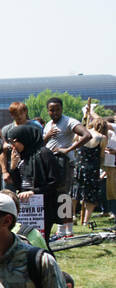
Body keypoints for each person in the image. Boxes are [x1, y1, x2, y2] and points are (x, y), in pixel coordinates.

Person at [4, 123, 64, 244]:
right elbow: (18, 184)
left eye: (14, 142)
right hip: (26, 206)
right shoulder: (22, 156)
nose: (12, 146)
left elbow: (55, 181)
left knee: (41, 241)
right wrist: (13, 167)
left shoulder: (44, 153)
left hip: (44, 205)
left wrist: (34, 192)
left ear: (24, 139)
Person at [42, 96, 91, 242]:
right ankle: (61, 229)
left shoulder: (69, 121)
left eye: (57, 109)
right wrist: (48, 135)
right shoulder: (48, 125)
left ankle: (65, 231)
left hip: (62, 162)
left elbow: (86, 135)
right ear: (48, 111)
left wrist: (68, 149)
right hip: (49, 162)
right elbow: (41, 143)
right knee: (54, 196)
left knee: (63, 195)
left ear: (62, 109)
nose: (55, 112)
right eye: (52, 110)